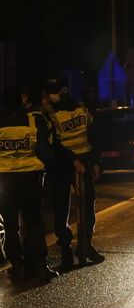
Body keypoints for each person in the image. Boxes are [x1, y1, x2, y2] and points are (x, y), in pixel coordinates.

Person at [45, 77, 104, 272]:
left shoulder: (81, 108)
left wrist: (95, 161)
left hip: (85, 163)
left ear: (64, 90)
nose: (51, 95)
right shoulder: (50, 114)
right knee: (61, 208)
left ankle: (85, 247)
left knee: (88, 205)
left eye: (54, 90)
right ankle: (66, 252)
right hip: (62, 165)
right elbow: (54, 145)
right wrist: (73, 160)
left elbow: (95, 135)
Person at [0, 87, 58, 283]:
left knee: (11, 226)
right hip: (30, 180)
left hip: (5, 181)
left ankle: (17, 268)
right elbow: (45, 153)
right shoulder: (34, 120)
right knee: (34, 223)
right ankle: (41, 267)